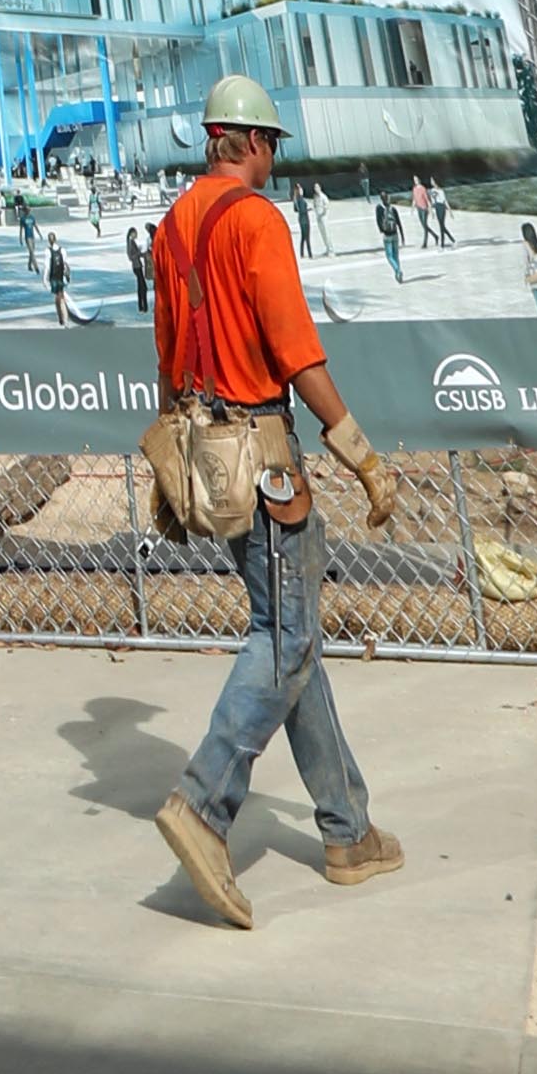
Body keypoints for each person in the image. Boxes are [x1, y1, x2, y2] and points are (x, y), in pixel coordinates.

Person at [146, 77, 403, 927]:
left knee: (295, 639)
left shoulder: (174, 224)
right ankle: (203, 804)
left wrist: (165, 471)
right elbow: (297, 355)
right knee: (284, 635)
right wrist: (361, 455)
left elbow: (168, 352)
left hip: (202, 455)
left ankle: (347, 830)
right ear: (251, 142)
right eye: (272, 147)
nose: (272, 162)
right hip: (263, 456)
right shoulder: (257, 221)